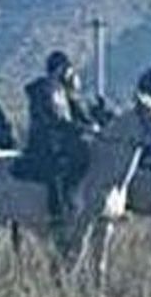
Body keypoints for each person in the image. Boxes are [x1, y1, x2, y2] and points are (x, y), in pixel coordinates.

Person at [23, 50, 97, 234]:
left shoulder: (62, 91)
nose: (71, 74)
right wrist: (81, 129)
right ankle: (57, 215)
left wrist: (90, 124)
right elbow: (55, 120)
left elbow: (75, 115)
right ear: (60, 69)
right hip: (45, 142)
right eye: (69, 70)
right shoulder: (43, 90)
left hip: (61, 140)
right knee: (57, 171)